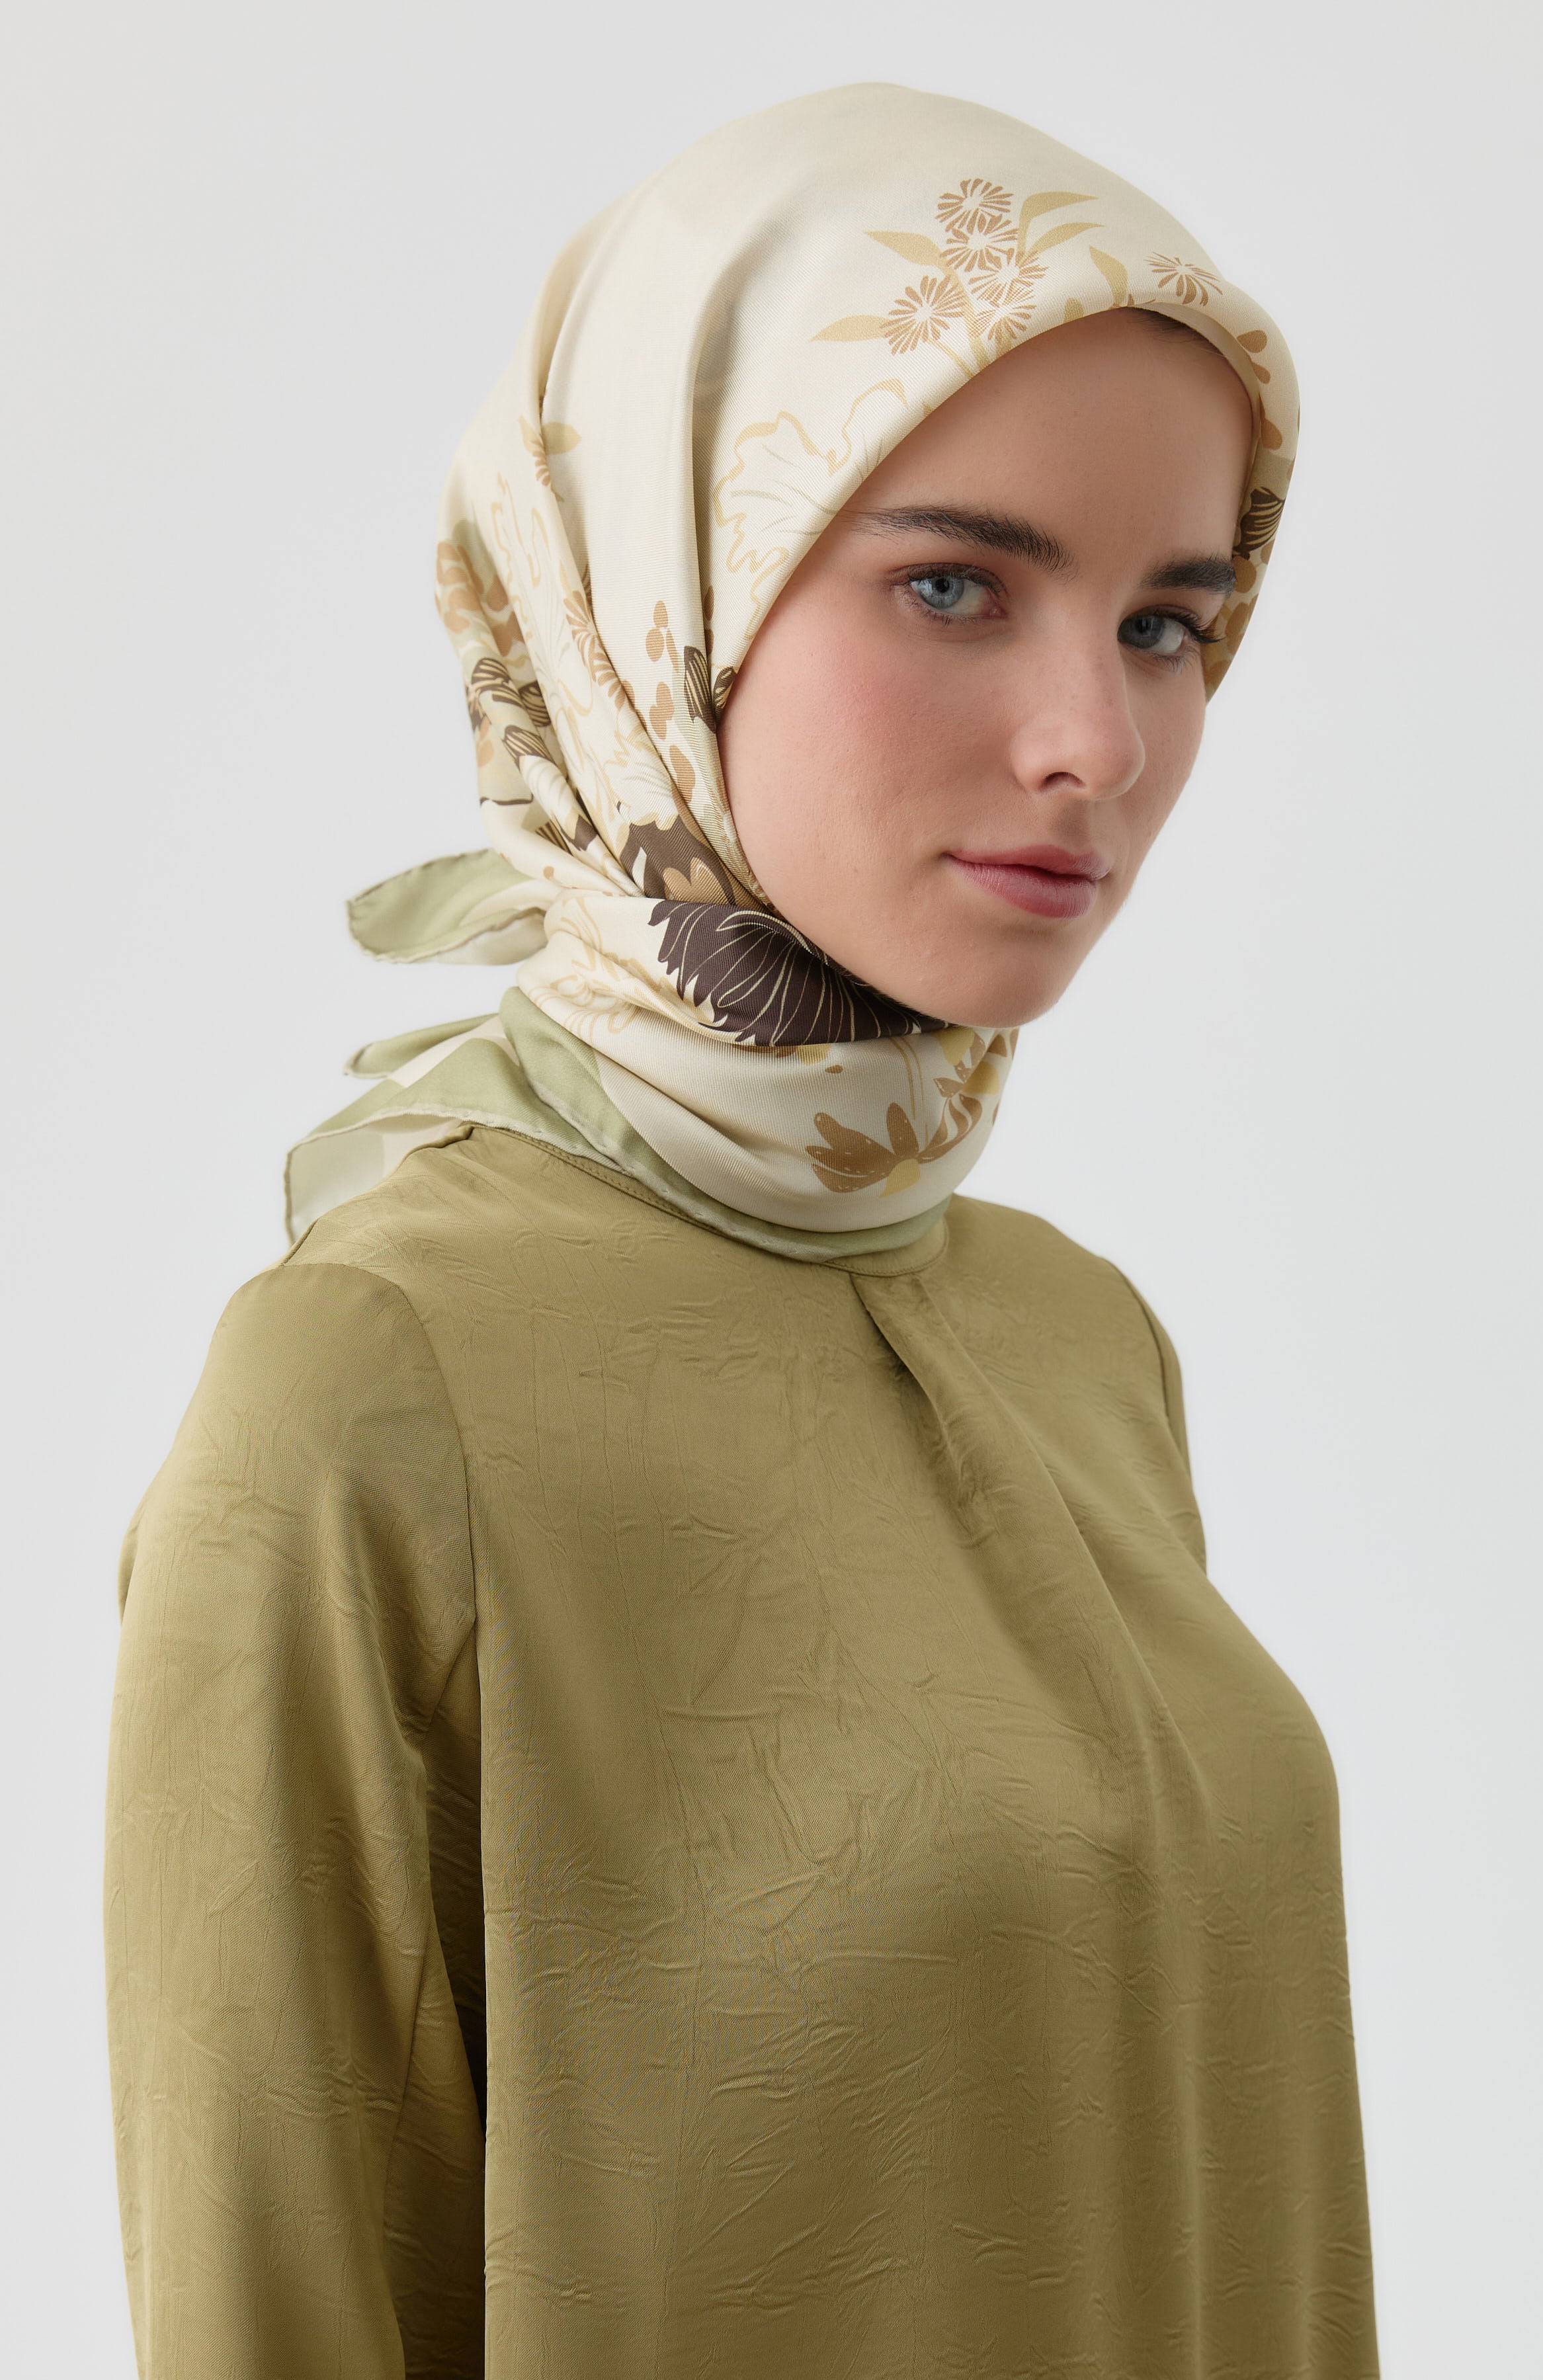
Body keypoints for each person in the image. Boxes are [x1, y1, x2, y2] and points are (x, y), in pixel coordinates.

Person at [104, 82, 1378, 2380]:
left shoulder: (1083, 1343)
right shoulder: (378, 1382)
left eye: (1170, 623)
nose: (1096, 738)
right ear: (660, 599)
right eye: (954, 585)